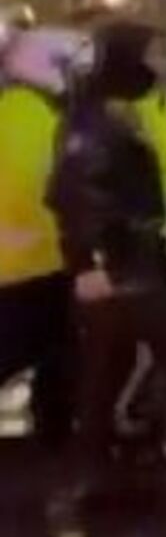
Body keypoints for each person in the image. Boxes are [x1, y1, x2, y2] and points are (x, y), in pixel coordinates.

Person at [46, 21, 166, 468]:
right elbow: (73, 196)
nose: (160, 64)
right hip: (120, 261)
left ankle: (103, 454)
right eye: (152, 54)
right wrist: (89, 262)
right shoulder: (93, 122)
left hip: (135, 255)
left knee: (115, 360)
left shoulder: (116, 113)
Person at [0, 28, 80, 447]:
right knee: (53, 350)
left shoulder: (13, 112)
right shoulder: (42, 120)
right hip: (40, 258)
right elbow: (54, 186)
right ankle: (55, 431)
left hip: (16, 260)